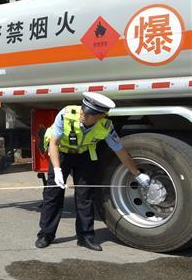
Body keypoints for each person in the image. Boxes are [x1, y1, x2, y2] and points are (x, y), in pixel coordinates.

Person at [36, 92, 155, 251]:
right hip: (62, 153)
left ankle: (85, 237)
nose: (83, 115)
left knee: (85, 196)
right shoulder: (66, 114)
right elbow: (54, 143)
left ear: (101, 115)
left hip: (84, 155)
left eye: (89, 114)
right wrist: (57, 170)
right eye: (83, 110)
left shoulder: (106, 126)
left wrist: (137, 174)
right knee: (53, 194)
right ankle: (46, 234)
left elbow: (120, 151)